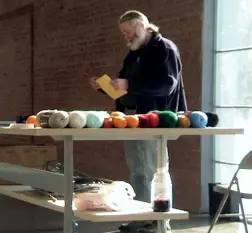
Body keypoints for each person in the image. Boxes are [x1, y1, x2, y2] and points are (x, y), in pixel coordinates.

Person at [89, 10, 187, 233]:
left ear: (142, 26)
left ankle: (158, 221)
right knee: (138, 171)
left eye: (128, 31)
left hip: (155, 120)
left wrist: (128, 85)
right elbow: (123, 86)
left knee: (154, 172)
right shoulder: (133, 53)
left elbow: (166, 85)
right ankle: (142, 217)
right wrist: (105, 87)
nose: (126, 37)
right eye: (123, 33)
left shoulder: (164, 48)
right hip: (131, 119)